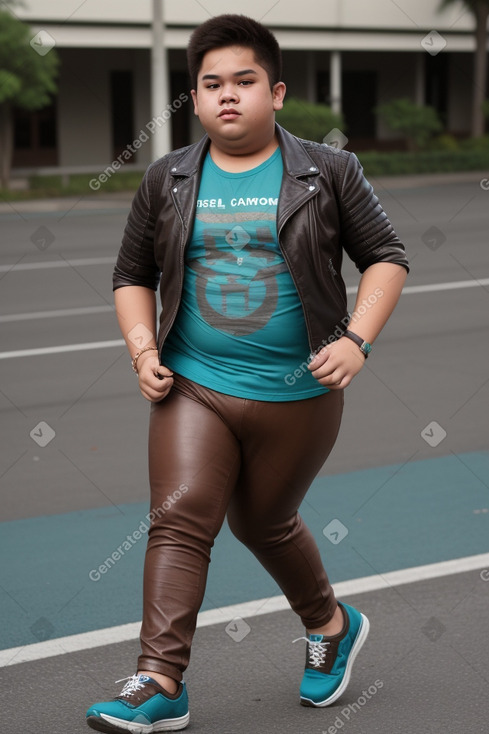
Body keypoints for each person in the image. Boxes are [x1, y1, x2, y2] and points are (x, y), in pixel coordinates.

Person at [86, 13, 409, 733]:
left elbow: (385, 256)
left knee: (263, 521)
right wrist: (143, 351)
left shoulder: (328, 171)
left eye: (243, 80)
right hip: (193, 382)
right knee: (178, 519)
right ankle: (160, 680)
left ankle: (330, 625)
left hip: (299, 390)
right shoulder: (166, 177)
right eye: (211, 84)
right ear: (194, 99)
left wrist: (357, 339)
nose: (226, 95)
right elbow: (131, 274)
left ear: (277, 91)